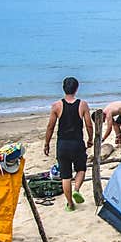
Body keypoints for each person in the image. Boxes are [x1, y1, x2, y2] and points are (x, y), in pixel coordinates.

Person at [44, 76, 93, 211]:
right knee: (81, 169)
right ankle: (76, 189)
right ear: (76, 89)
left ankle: (70, 204)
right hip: (77, 143)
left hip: (62, 144)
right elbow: (89, 124)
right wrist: (90, 139)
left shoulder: (56, 106)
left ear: (63, 88)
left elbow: (50, 127)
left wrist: (46, 143)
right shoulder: (82, 104)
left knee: (65, 176)